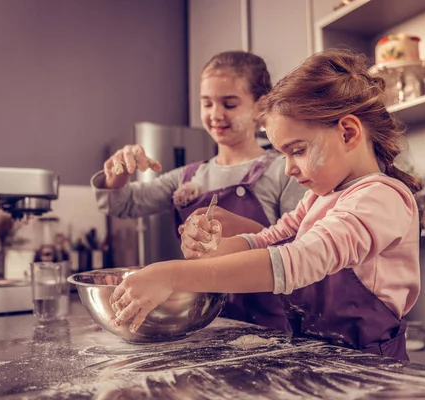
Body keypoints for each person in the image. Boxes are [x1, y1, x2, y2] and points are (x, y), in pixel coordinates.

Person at [108, 48, 422, 361]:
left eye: (297, 151)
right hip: (322, 356)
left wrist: (172, 276)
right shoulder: (319, 197)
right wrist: (212, 245)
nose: (288, 168)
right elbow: (265, 240)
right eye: (283, 154)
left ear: (348, 133)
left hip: (374, 364)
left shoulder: (381, 197)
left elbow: (297, 260)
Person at [91, 51, 307, 332]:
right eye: (207, 104)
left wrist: (241, 234)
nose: (216, 115)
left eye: (229, 104)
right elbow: (123, 205)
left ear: (260, 106)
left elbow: (303, 251)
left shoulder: (285, 169)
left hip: (273, 329)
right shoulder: (188, 176)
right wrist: (117, 174)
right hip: (206, 325)